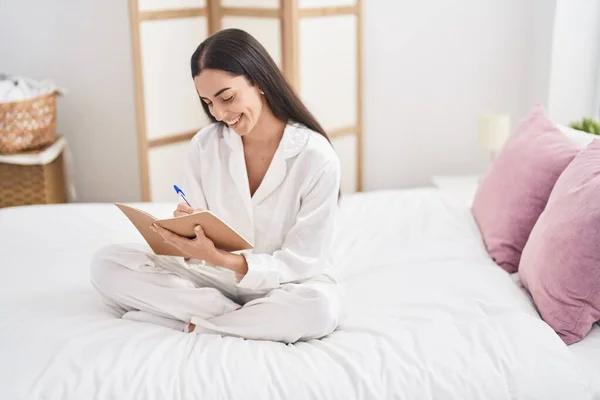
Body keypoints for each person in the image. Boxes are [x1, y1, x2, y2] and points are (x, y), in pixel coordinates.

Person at [90, 28, 341, 344]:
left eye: (227, 97)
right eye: (208, 102)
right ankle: (240, 318)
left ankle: (200, 324)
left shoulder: (315, 157)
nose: (220, 114)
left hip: (285, 284)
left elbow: (303, 261)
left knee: (319, 309)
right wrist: (186, 233)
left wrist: (226, 260)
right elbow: (199, 243)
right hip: (216, 278)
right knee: (108, 263)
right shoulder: (205, 146)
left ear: (259, 80)